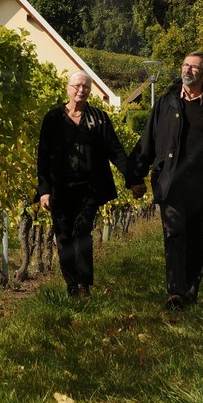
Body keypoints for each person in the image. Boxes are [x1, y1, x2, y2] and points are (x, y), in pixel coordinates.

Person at [130, 51, 203, 309]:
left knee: (195, 243)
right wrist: (135, 176)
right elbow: (147, 141)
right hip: (171, 183)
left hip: (201, 188)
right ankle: (176, 294)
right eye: (185, 65)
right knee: (174, 235)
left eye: (194, 67)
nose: (188, 70)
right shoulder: (166, 102)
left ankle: (190, 292)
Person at [36, 70, 141, 299]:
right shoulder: (52, 119)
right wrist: (43, 190)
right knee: (63, 237)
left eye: (85, 87)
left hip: (90, 187)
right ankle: (71, 285)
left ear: (90, 91)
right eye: (76, 86)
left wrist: (132, 179)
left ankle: (84, 285)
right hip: (60, 188)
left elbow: (116, 151)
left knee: (82, 230)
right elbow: (42, 156)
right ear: (68, 88)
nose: (80, 90)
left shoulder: (99, 118)